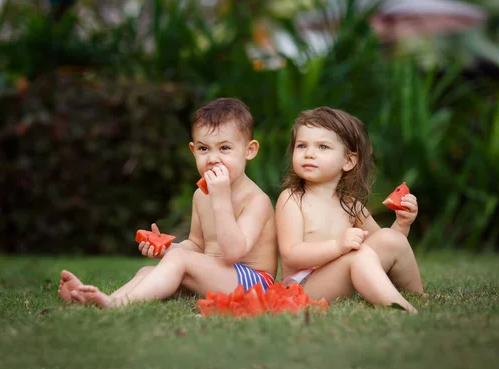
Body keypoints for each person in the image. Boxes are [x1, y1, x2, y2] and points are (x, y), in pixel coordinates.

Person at [58, 98, 278, 308]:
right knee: (148, 271)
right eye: (204, 149)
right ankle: (105, 300)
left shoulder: (256, 200)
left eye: (224, 148)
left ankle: (117, 305)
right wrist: (166, 249)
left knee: (179, 260)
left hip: (253, 284)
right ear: (193, 151)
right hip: (218, 276)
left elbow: (233, 254)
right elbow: (196, 245)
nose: (213, 158)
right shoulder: (201, 196)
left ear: (249, 150)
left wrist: (221, 200)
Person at [275, 106, 425, 314]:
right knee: (359, 254)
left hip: (343, 275)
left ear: (348, 161)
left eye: (323, 147)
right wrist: (338, 246)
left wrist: (402, 224)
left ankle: (418, 295)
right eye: (302, 146)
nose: (309, 154)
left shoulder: (351, 205)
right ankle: (398, 306)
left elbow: (382, 248)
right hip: (304, 287)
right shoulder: (292, 199)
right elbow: (291, 254)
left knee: (391, 238)